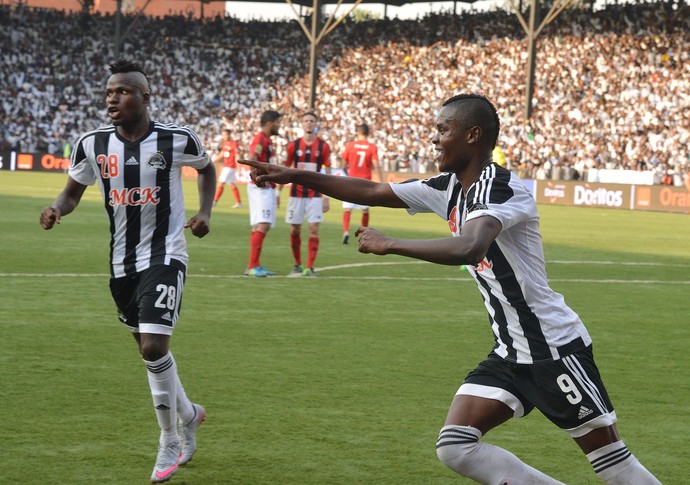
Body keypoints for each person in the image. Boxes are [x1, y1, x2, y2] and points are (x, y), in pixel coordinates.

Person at [239, 94, 662, 485]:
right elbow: (371, 190)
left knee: (611, 461)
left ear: (472, 135)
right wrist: (293, 175)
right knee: (456, 446)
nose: (434, 138)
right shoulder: (450, 188)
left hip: (552, 347)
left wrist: (391, 244)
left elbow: (469, 245)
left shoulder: (499, 187)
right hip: (510, 350)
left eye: (443, 130)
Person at [39, 59, 215, 484]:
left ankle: (169, 439)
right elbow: (71, 193)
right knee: (149, 352)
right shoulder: (92, 144)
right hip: (121, 264)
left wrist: (205, 211)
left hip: (166, 254)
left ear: (144, 97)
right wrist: (55, 209)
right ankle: (190, 414)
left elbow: (207, 169)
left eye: (121, 91)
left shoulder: (176, 139)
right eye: (108, 92)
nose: (111, 98)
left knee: (154, 347)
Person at [280, 111, 332, 277]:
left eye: (312, 121)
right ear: (302, 124)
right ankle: (297, 264)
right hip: (296, 195)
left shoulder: (323, 146)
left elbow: (328, 172)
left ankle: (309, 267)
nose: (309, 123)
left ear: (316, 124)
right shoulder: (293, 146)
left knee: (314, 229)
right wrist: (277, 192)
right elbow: (284, 170)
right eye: (306, 121)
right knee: (295, 230)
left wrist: (327, 197)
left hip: (315, 195)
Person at [244, 109, 282, 277]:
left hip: (264, 188)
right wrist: (260, 179)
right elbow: (252, 156)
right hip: (261, 188)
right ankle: (253, 266)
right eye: (278, 122)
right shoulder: (260, 139)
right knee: (264, 224)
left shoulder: (267, 140)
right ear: (269, 123)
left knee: (259, 225)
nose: (279, 125)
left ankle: (253, 265)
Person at [340, 123, 383, 244]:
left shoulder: (350, 145)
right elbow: (376, 165)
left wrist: (347, 173)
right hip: (365, 182)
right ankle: (364, 234)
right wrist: (381, 180)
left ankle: (346, 232)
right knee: (365, 210)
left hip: (351, 181)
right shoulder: (372, 147)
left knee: (347, 209)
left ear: (357, 133)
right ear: (368, 133)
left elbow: (343, 165)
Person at [212, 128, 243, 208]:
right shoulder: (225, 144)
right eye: (223, 135)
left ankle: (214, 201)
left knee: (220, 183)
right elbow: (222, 154)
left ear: (229, 135)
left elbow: (237, 155)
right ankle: (239, 203)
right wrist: (213, 161)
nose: (224, 136)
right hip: (227, 166)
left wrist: (239, 167)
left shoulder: (234, 144)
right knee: (231, 185)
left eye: (225, 135)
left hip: (230, 167)